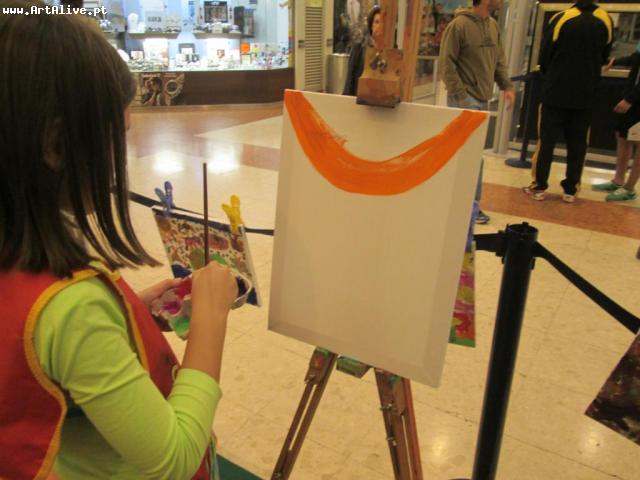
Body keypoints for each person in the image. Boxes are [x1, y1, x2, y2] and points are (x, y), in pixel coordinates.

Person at [0, 3, 237, 479]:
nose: (120, 158)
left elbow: (46, 357)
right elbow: (173, 457)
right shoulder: (71, 309)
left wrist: (127, 314)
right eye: (117, 137)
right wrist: (210, 319)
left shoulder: (21, 258)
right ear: (56, 145)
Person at [525, 0, 612, 203]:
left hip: (555, 92)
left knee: (546, 142)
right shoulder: (605, 20)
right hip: (586, 95)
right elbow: (605, 56)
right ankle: (570, 190)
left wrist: (551, 76)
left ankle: (539, 186)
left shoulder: (561, 18)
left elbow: (545, 55)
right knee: (578, 145)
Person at [439, 0, 515, 225]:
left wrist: (506, 86)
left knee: (474, 156)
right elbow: (446, 64)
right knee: (467, 156)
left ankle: (469, 205)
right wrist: (462, 97)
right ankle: (467, 206)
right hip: (465, 101)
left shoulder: (492, 25)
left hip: (482, 100)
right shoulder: (459, 26)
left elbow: (498, 60)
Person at [592, 48, 640, 202]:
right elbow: (635, 58)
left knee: (638, 141)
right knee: (622, 136)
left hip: (634, 99)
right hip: (632, 98)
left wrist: (630, 99)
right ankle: (618, 180)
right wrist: (612, 62)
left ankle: (629, 188)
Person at [343, 5, 382, 96]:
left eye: (382, 23)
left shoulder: (391, 50)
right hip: (360, 97)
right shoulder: (359, 48)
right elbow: (350, 80)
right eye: (377, 22)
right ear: (371, 25)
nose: (380, 26)